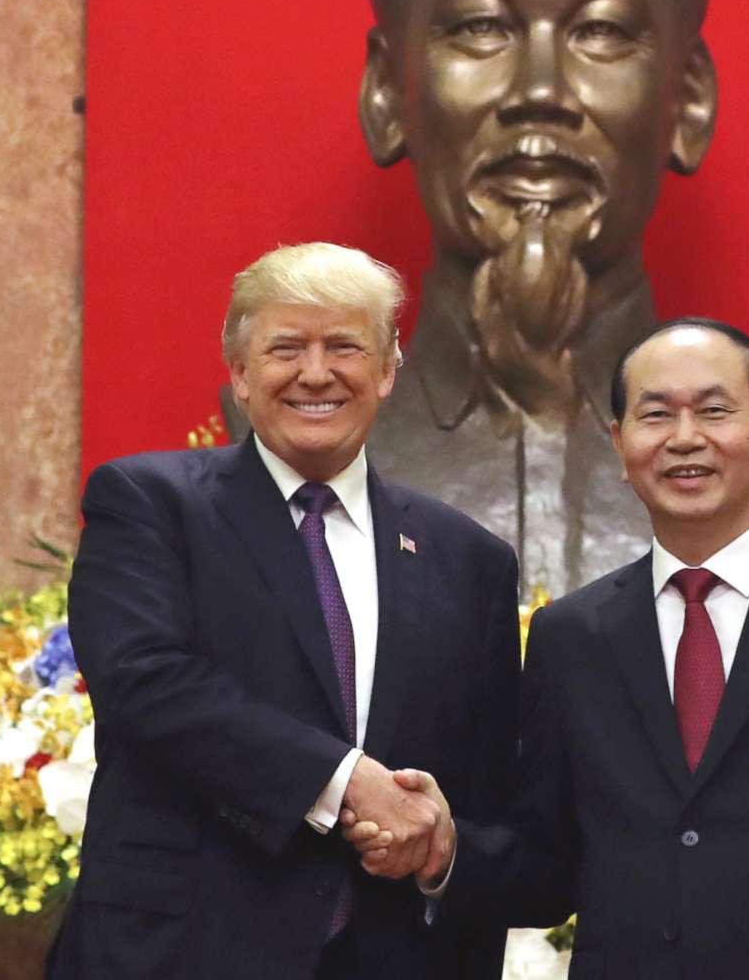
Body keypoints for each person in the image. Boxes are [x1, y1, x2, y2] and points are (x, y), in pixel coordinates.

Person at [354, 318, 749, 980]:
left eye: (715, 410)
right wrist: (443, 845)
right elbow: (549, 871)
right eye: (656, 414)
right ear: (619, 443)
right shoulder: (572, 635)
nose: (685, 437)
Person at [355, 0, 749, 593]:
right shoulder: (292, 449)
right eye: (482, 27)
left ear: (687, 101)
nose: (540, 91)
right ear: (387, 95)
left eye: (602, 32)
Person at [50, 243, 521, 980]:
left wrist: (438, 845)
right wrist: (343, 780)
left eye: (344, 345)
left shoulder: (470, 560)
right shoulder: (149, 505)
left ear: (389, 368)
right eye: (285, 347)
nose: (315, 371)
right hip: (181, 954)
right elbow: (145, 683)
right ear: (239, 372)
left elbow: (492, 789)